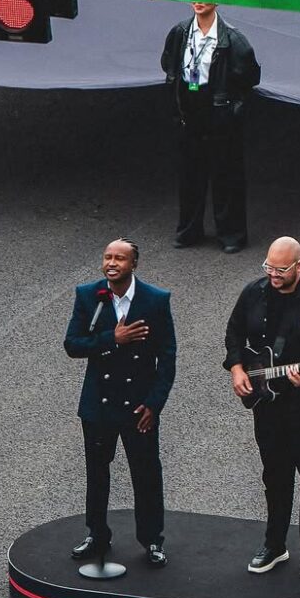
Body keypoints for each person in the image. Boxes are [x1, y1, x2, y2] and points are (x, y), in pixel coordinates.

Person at [225, 237, 300, 579]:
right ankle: (274, 544)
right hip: (268, 403)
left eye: (281, 269)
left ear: (299, 266)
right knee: (275, 476)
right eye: (269, 267)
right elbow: (234, 334)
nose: (273, 275)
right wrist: (237, 369)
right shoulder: (254, 293)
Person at [64, 238, 177, 569]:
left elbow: (167, 355)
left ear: (134, 264)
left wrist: (154, 404)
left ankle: (152, 539)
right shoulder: (89, 296)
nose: (112, 263)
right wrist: (112, 339)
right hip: (99, 404)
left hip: (138, 406)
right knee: (97, 473)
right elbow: (72, 344)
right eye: (107, 257)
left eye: (119, 258)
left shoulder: (155, 300)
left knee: (146, 472)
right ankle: (97, 534)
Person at [161, 1, 261, 253]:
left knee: (226, 173)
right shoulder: (180, 32)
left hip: (218, 108)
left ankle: (231, 234)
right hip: (188, 107)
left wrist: (232, 106)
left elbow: (250, 76)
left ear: (216, 0)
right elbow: (168, 63)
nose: (199, 1)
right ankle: (188, 230)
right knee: (189, 173)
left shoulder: (233, 39)